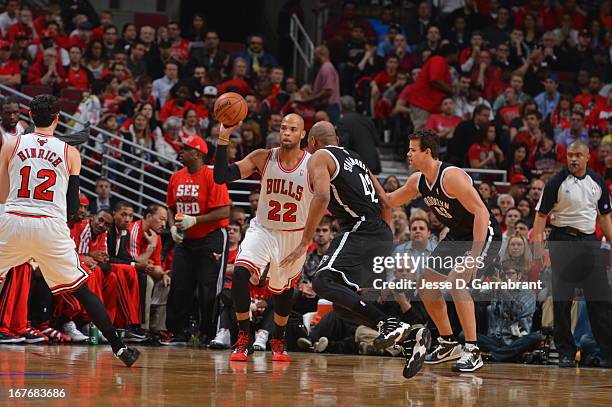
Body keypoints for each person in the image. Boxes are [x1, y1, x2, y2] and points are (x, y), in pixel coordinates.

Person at [281, 120, 429, 380]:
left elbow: (323, 197)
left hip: (360, 227)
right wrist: (386, 239)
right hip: (381, 232)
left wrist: (305, 241)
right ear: (337, 138)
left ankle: (388, 323)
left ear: (313, 142)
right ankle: (410, 337)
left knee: (322, 281)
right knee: (342, 306)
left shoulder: (320, 156)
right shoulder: (358, 159)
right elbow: (385, 200)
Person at [0, 94, 139, 367]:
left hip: (14, 218)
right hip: (50, 224)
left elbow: (2, 194)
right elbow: (74, 206)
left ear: (29, 116)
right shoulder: (69, 152)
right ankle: (120, 349)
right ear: (58, 118)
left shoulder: (11, 144)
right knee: (82, 290)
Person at [388, 129, 502, 373]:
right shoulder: (417, 180)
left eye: (412, 150)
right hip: (457, 235)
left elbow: (481, 212)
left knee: (456, 281)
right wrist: (364, 184)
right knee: (426, 284)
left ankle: (473, 349)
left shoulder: (450, 176)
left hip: (484, 233)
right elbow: (390, 201)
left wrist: (473, 257)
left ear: (427, 152)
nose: (408, 154)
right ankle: (448, 342)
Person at [213, 113, 313, 362]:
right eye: (283, 128)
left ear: (303, 134)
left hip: (293, 234)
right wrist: (224, 137)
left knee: (284, 291)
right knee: (239, 273)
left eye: (293, 129)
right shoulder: (263, 157)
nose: (286, 133)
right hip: (263, 229)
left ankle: (278, 337)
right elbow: (221, 176)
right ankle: (244, 337)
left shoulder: (313, 164)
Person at [533, 140, 612, 368]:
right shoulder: (556, 182)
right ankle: (566, 352)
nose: (573, 159)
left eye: (578, 155)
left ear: (588, 157)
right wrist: (538, 248)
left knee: (600, 299)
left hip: (589, 241)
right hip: (562, 238)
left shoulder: (597, 181)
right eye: (569, 155)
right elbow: (540, 216)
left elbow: (605, 217)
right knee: (562, 300)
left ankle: (608, 353)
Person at [164, 135, 231, 344]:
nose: (181, 151)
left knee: (208, 287)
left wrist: (196, 220)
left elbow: (224, 211)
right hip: (186, 240)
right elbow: (170, 207)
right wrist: (172, 226)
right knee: (179, 285)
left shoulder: (212, 176)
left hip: (211, 237)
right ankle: (178, 332)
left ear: (198, 154)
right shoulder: (176, 177)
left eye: (186, 148)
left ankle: (209, 333)